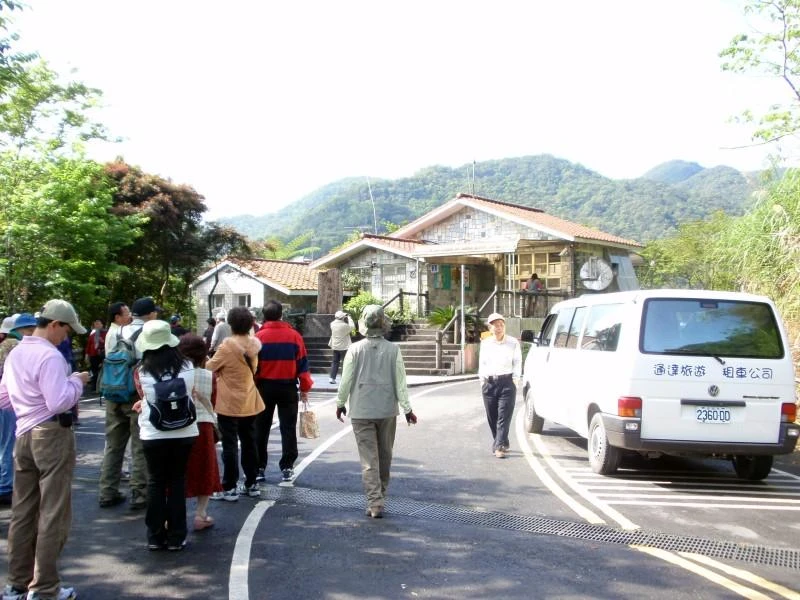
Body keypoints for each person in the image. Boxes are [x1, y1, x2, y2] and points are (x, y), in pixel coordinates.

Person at [0, 299, 88, 600]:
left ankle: (16, 583)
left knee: (23, 511)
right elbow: (59, 401)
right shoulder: (49, 356)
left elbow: (4, 398)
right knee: (53, 512)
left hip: (23, 433)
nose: (67, 337)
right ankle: (45, 587)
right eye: (66, 330)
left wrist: (26, 404)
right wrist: (76, 382)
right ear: (54, 324)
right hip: (51, 433)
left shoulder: (16, 353)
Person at [335, 305, 417, 519]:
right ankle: (380, 495)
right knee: (385, 456)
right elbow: (400, 382)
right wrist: (407, 409)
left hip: (361, 410)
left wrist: (340, 402)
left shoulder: (354, 349)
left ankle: (375, 503)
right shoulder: (393, 349)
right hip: (387, 409)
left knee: (369, 459)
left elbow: (346, 380)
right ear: (383, 324)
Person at [132, 319, 198, 551]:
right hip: (185, 430)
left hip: (153, 432)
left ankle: (155, 536)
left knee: (156, 482)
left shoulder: (140, 371)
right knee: (178, 480)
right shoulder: (188, 366)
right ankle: (177, 536)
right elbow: (190, 392)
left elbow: (143, 397)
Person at [206, 307, 263, 499]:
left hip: (229, 402)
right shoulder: (255, 344)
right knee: (249, 442)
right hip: (249, 400)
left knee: (230, 444)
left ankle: (230, 487)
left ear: (230, 324)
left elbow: (209, 367)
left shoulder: (226, 347)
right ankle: (252, 483)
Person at [254, 300, 313, 483]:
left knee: (261, 428)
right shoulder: (294, 336)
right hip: (287, 387)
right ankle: (287, 466)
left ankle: (259, 467)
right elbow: (302, 364)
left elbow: (253, 368)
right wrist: (304, 388)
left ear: (264, 316)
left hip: (263, 387)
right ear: (281, 315)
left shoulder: (258, 338)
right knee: (288, 428)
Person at [97, 300, 149, 510]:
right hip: (134, 394)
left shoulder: (115, 333)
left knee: (113, 445)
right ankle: (139, 494)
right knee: (138, 446)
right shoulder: (144, 333)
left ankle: (107, 492)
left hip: (112, 392)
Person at [178, 334, 222, 529]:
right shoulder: (209, 375)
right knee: (205, 469)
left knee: (178, 469)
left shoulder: (175, 374)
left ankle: (172, 515)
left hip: (179, 425)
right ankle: (200, 514)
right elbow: (212, 403)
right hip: (203, 426)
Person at [0, 313, 37, 506]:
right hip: (8, 400)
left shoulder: (3, 346)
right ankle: (5, 486)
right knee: (7, 444)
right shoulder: (15, 346)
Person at [478, 312, 522, 459]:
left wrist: (515, 381)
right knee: (492, 416)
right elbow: (482, 363)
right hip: (489, 383)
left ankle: (499, 447)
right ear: (490, 328)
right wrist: (482, 381)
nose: (499, 328)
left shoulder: (513, 342)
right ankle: (502, 440)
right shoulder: (485, 343)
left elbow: (517, 362)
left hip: (507, 383)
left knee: (504, 416)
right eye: (495, 325)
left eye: (501, 325)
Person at [328, 310, 353, 385]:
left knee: (335, 362)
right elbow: (352, 327)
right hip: (344, 347)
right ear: (342, 318)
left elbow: (337, 318)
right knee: (344, 363)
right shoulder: (344, 326)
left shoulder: (332, 324)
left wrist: (343, 316)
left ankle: (332, 378)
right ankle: (343, 378)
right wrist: (349, 318)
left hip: (335, 346)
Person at [84, 319, 106, 391]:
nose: (97, 325)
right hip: (93, 355)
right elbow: (88, 345)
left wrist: (102, 341)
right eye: (96, 324)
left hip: (102, 354)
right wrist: (87, 355)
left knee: (103, 370)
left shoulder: (106, 333)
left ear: (102, 325)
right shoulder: (92, 335)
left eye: (99, 324)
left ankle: (102, 386)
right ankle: (94, 386)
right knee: (94, 371)